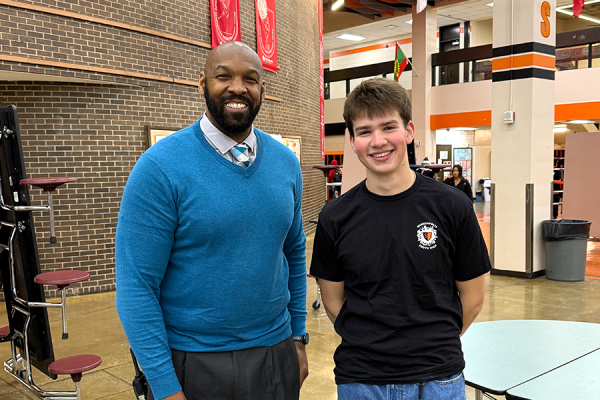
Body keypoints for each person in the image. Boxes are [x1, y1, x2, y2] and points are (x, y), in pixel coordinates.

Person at [116, 41, 308, 400]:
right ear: (202, 83)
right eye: (224, 76)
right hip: (195, 360)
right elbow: (137, 286)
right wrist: (163, 384)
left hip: (276, 351)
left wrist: (298, 337)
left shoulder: (285, 163)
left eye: (250, 79)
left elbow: (294, 251)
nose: (237, 87)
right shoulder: (159, 168)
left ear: (262, 90)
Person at [309, 78, 491, 400]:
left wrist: (429, 343)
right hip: (362, 381)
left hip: (438, 380)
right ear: (352, 141)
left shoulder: (452, 206)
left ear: (409, 131)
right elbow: (334, 303)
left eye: (388, 127)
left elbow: (473, 298)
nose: (377, 141)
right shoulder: (335, 218)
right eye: (364, 131)